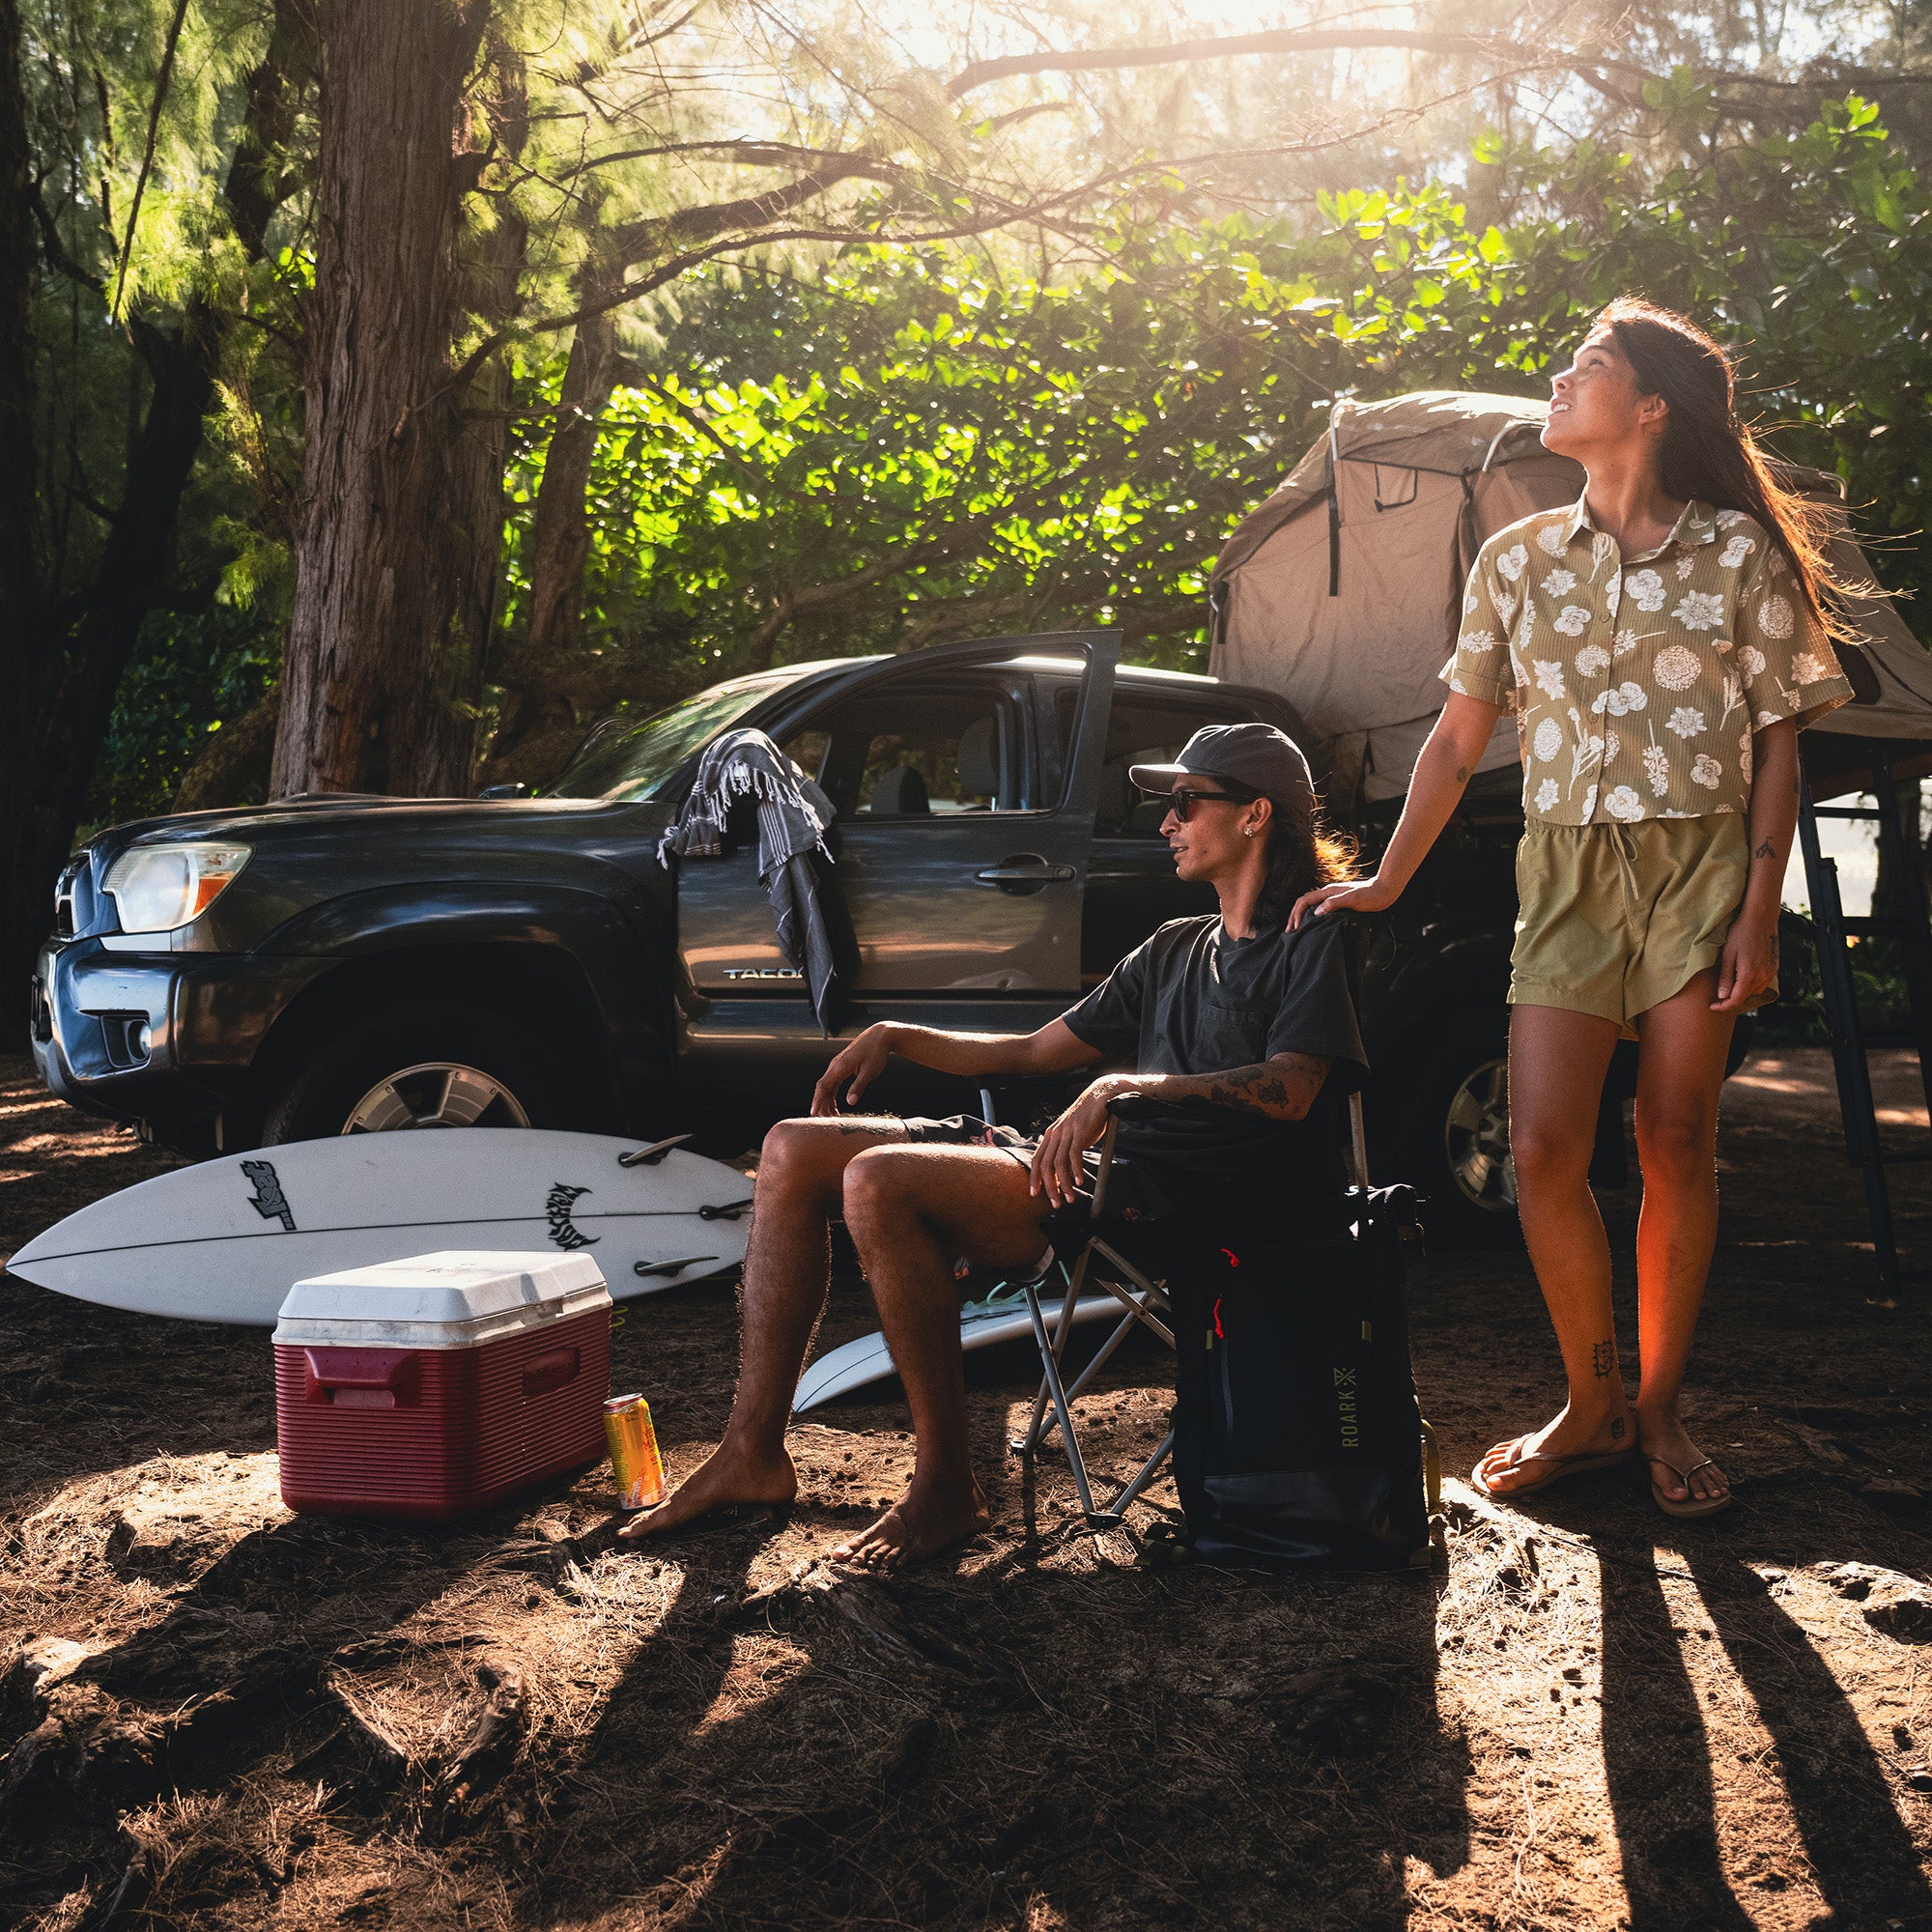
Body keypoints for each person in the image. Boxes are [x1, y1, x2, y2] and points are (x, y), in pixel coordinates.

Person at [1293, 298, 1855, 1519]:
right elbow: (1454, 738)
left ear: (1648, 406)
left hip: (1700, 865)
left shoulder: (1735, 556)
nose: (1555, 379)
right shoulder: (1516, 558)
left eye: (1584, 366)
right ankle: (1588, 1398)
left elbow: (1774, 748)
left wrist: (1757, 911)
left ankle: (1657, 1407)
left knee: (1669, 1138)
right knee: (1542, 1147)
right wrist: (1384, 877)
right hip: (1563, 871)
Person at [623, 723, 1369, 1566]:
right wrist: (900, 1033)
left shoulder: (1315, 940)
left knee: (877, 1181)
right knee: (792, 1148)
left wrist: (1126, 1087)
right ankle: (752, 1452)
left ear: (1256, 814)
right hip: (1099, 1168)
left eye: (1187, 802)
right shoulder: (1174, 948)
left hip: (1193, 1201)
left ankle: (945, 1487)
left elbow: (1295, 1088)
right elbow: (1032, 1052)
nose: (1166, 821)